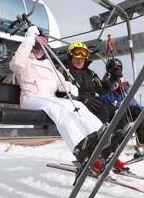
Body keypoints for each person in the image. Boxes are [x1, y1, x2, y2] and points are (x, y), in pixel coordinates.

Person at [9, 26, 119, 168]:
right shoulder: (24, 60)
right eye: (35, 46)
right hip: (32, 98)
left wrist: (67, 86)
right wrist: (29, 37)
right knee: (59, 108)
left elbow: (60, 81)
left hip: (48, 99)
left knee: (78, 106)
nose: (38, 49)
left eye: (41, 46)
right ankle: (80, 149)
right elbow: (16, 64)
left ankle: (103, 140)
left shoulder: (48, 63)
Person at [100, 58, 144, 156]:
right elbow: (104, 99)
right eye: (113, 68)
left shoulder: (122, 80)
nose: (117, 70)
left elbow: (129, 97)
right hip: (118, 110)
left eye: (119, 68)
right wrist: (115, 92)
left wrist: (125, 88)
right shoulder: (106, 83)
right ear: (109, 70)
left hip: (129, 106)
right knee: (139, 115)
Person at [64, 41, 111, 124]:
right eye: (76, 58)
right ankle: (97, 134)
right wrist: (80, 98)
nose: (79, 61)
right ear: (70, 58)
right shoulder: (65, 72)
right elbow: (61, 93)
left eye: (82, 59)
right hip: (77, 103)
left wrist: (112, 79)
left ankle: (121, 134)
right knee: (104, 111)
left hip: (94, 102)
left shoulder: (90, 73)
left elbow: (102, 90)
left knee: (117, 110)